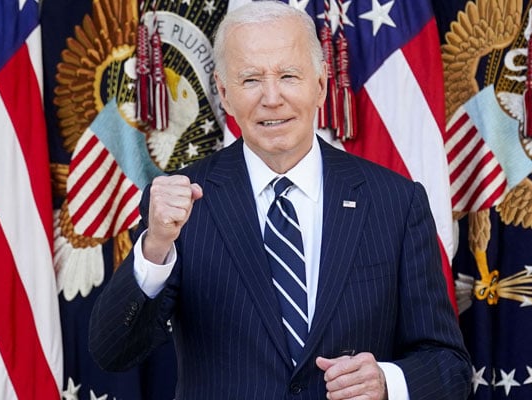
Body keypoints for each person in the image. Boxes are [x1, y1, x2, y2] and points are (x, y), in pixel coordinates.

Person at [89, 1, 472, 399]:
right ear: (224, 92)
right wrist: (155, 247)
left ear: (321, 84)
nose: (272, 98)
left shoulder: (396, 202)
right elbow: (113, 351)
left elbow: (449, 367)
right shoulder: (180, 205)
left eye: (289, 76)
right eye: (251, 80)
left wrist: (387, 382)